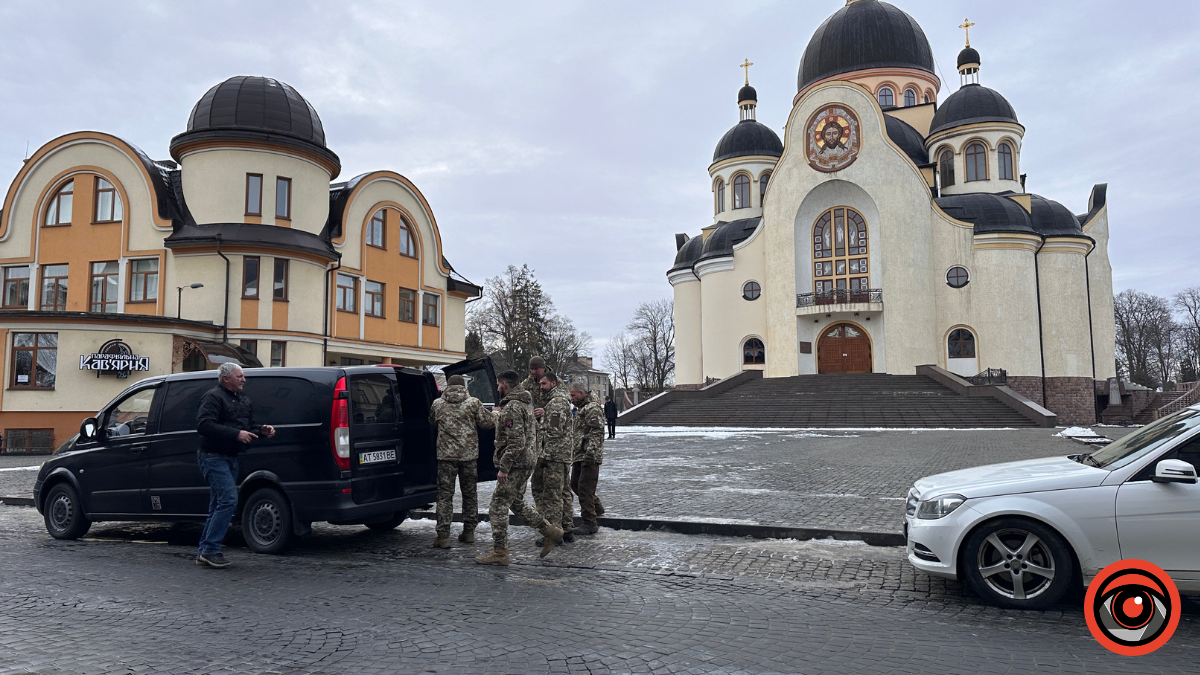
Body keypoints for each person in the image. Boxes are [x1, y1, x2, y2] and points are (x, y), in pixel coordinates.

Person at [476, 370, 563, 565]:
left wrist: (504, 468)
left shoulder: (512, 407)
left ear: (505, 385)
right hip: (526, 460)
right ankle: (550, 531)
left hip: (516, 464)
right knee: (515, 502)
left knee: (497, 506)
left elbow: (516, 442)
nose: (497, 388)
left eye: (498, 385)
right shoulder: (524, 403)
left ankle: (500, 551)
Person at [194, 362, 275, 568]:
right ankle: (211, 550)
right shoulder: (213, 397)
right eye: (239, 376)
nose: (244, 380)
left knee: (218, 504)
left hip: (231, 456)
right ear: (226, 379)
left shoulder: (242, 399)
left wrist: (261, 431)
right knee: (229, 500)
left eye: (243, 376)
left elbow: (246, 427)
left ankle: (205, 551)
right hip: (213, 456)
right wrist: (236, 434)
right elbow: (204, 424)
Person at [428, 374, 495, 548]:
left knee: (445, 495)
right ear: (463, 386)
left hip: (446, 457)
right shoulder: (473, 403)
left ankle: (443, 536)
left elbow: (431, 421)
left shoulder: (437, 404)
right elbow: (487, 423)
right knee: (470, 494)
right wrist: (496, 413)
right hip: (469, 457)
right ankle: (469, 532)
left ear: (447, 386)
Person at [532, 371, 575, 547]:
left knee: (552, 496)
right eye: (540, 384)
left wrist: (544, 454)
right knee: (564, 492)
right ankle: (567, 529)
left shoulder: (556, 402)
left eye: (544, 384)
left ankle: (554, 532)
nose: (541, 387)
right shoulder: (555, 401)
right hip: (560, 455)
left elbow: (553, 432)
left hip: (554, 456)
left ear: (553, 383)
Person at [569, 382, 606, 535]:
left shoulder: (592, 408)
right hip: (579, 454)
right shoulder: (581, 408)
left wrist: (591, 452)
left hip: (589, 455)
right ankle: (596, 506)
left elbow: (597, 432)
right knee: (575, 484)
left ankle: (590, 522)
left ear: (582, 393)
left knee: (585, 487)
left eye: (573, 395)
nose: (572, 398)